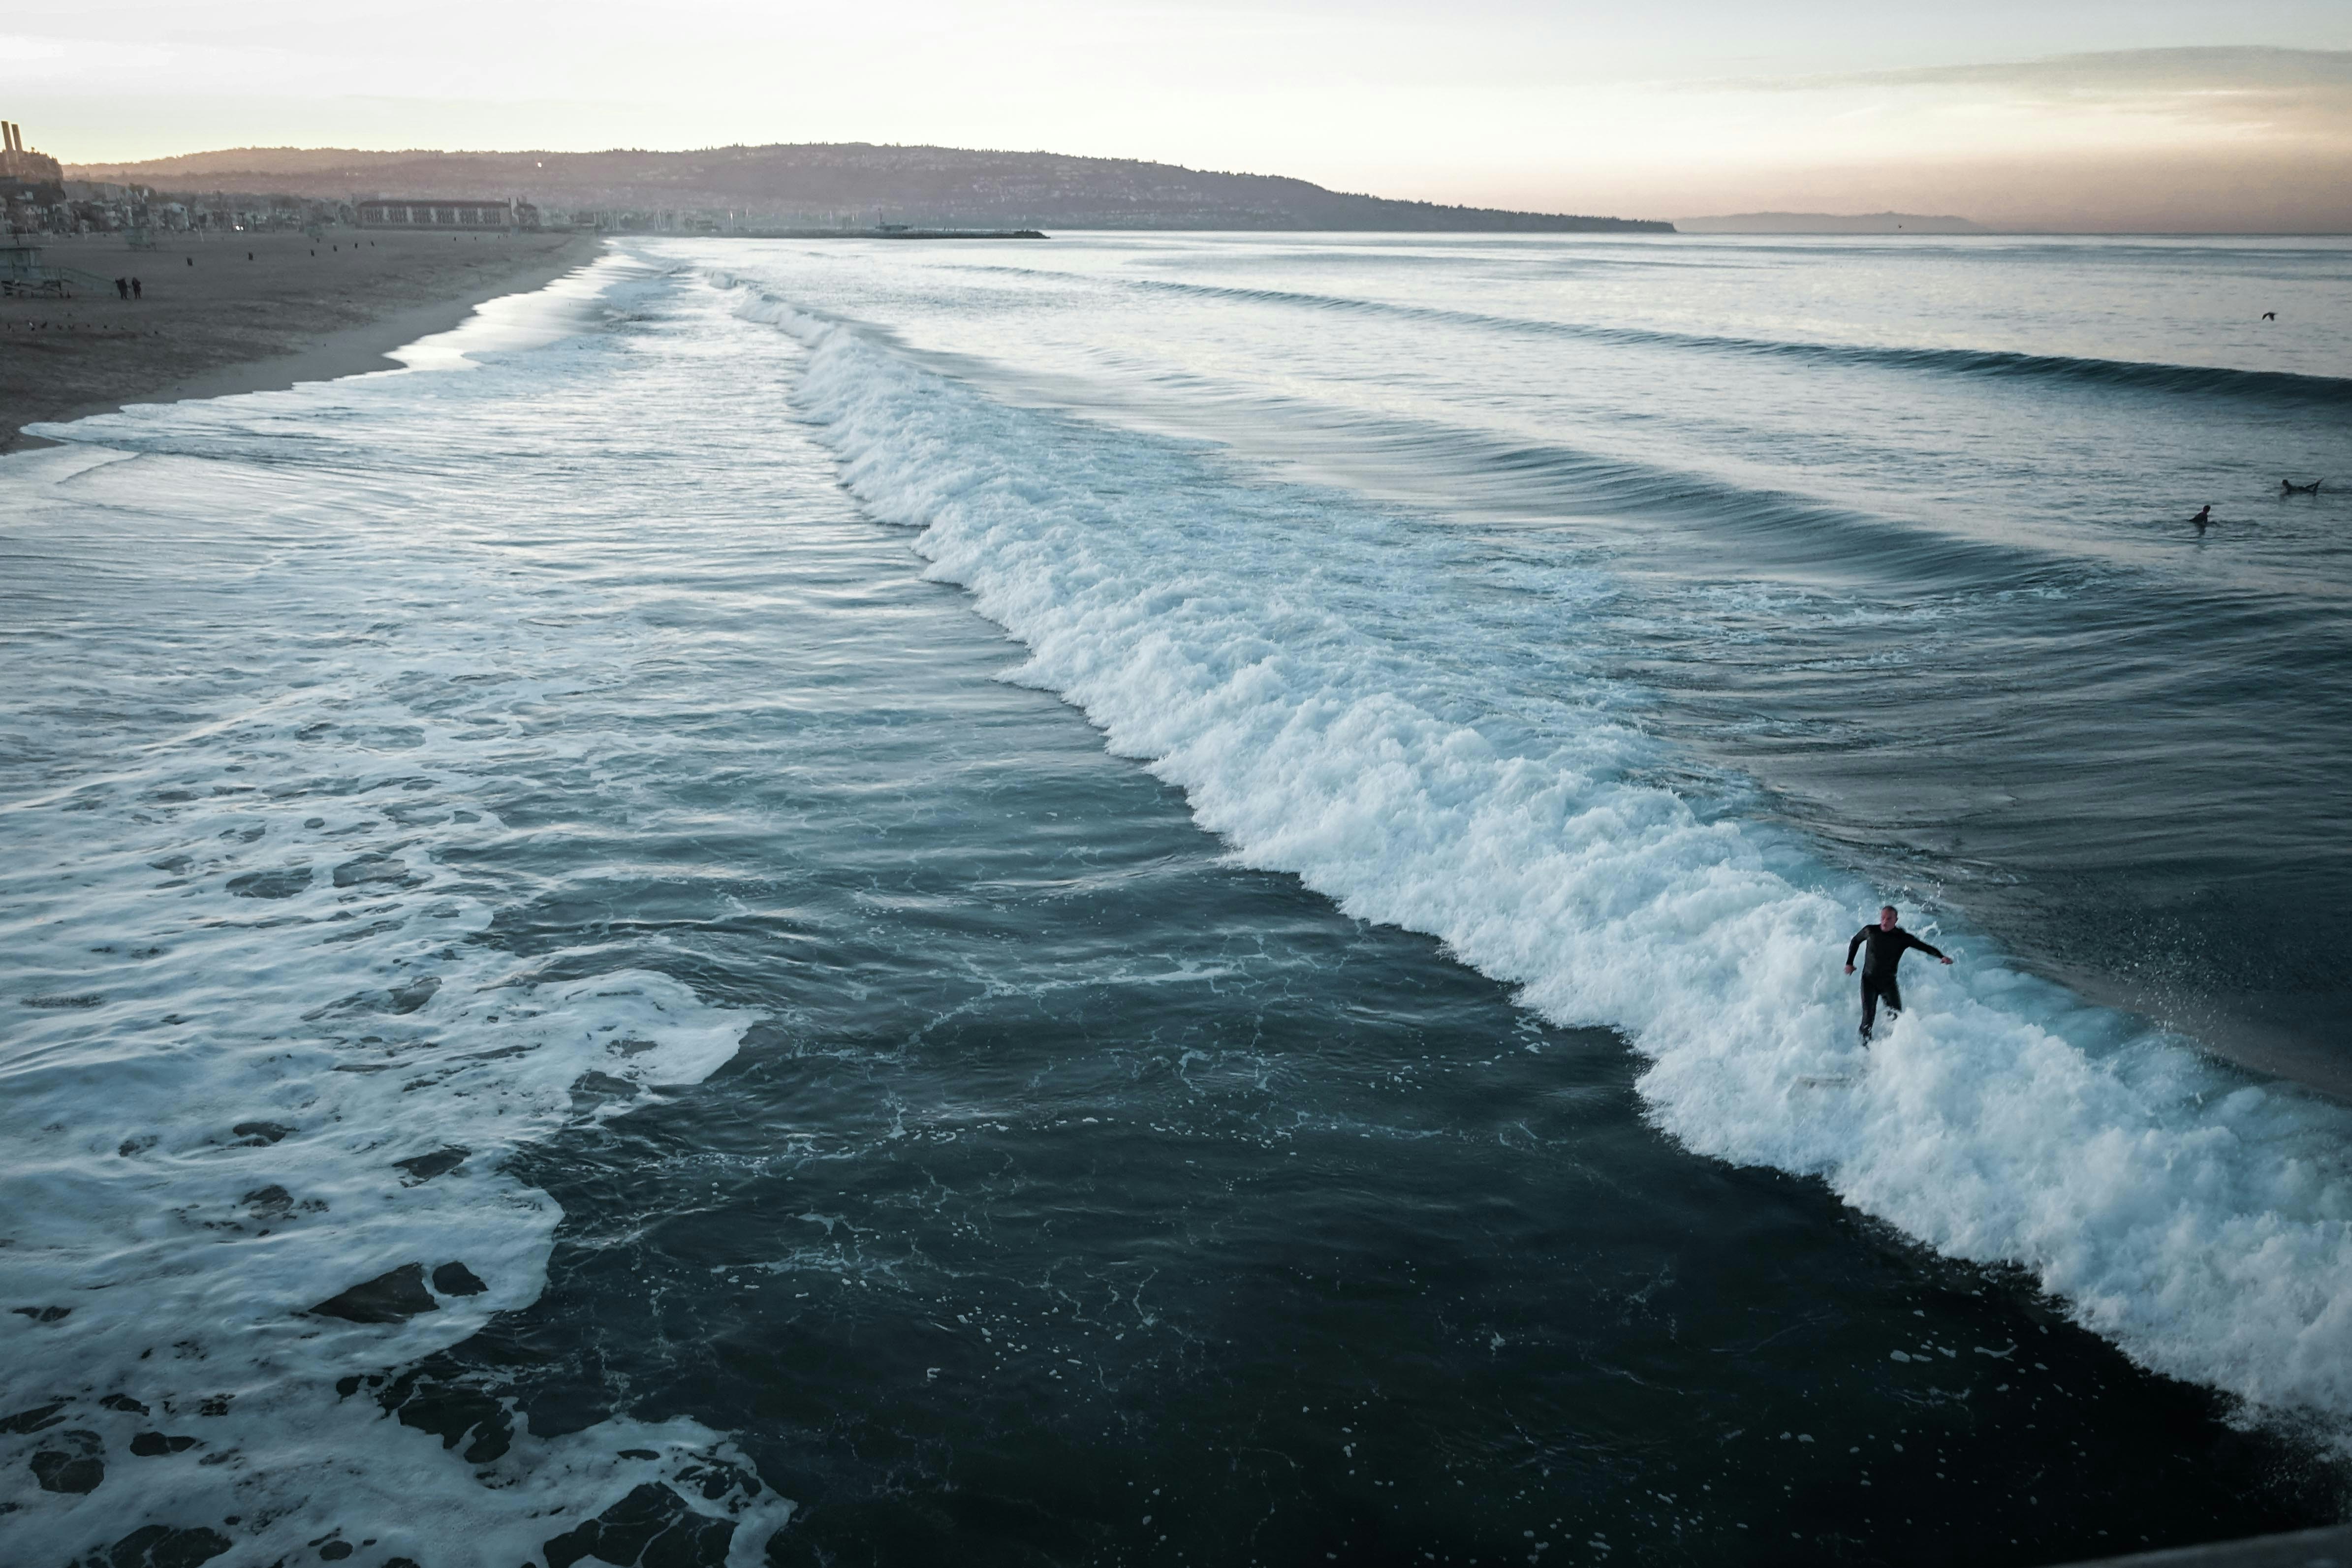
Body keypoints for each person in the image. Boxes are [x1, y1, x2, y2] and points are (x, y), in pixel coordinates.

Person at [1844, 905, 1952, 1041]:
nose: (1885, 921)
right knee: (1868, 1018)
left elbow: (1923, 947)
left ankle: (1893, 1048)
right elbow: (1855, 941)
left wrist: (1941, 956)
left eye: (1889, 919)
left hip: (1889, 983)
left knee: (1897, 1018)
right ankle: (1864, 1050)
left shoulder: (1902, 938)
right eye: (1883, 918)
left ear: (1896, 920)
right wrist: (1849, 963)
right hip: (1869, 981)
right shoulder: (1871, 931)